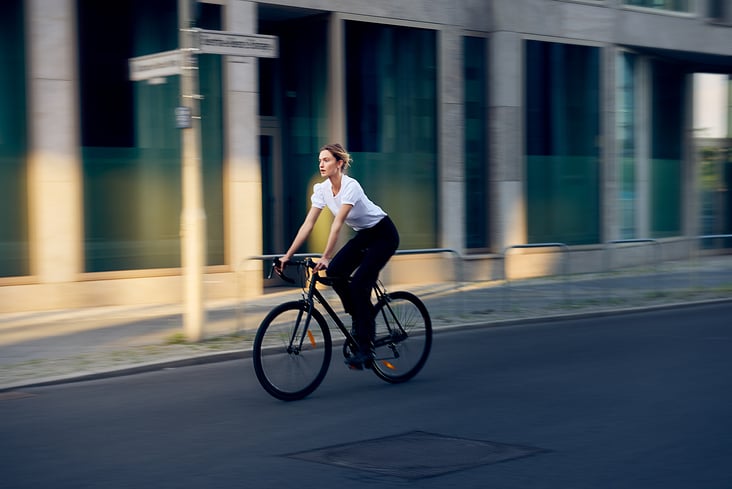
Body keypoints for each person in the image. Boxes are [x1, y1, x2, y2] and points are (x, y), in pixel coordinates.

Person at [276, 143, 399, 369]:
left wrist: (325, 255)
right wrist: (287, 255)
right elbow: (308, 224)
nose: (321, 164)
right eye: (320, 161)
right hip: (364, 235)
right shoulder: (321, 189)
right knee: (334, 273)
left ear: (339, 163)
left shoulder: (351, 186)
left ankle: (365, 348)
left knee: (360, 285)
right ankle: (359, 316)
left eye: (327, 160)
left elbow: (337, 224)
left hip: (383, 235)